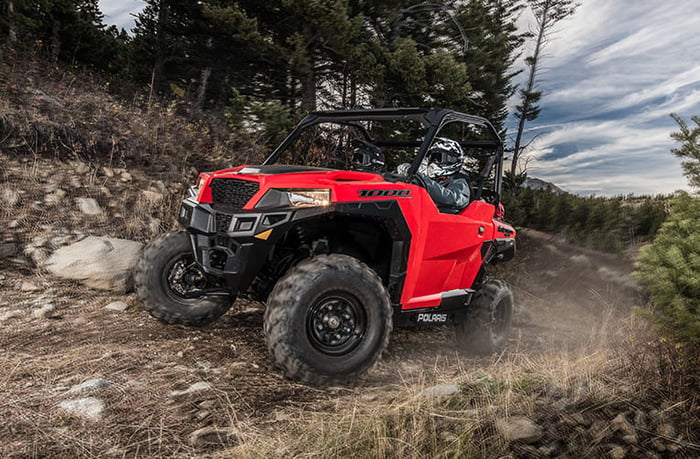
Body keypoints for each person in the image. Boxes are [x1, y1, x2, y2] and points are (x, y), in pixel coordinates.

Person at [398, 137, 471, 213]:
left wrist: (421, 179)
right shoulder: (434, 181)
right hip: (425, 217)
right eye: (433, 158)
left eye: (439, 158)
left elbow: (454, 199)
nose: (434, 161)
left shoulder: (459, 181)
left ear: (452, 160)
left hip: (448, 220)